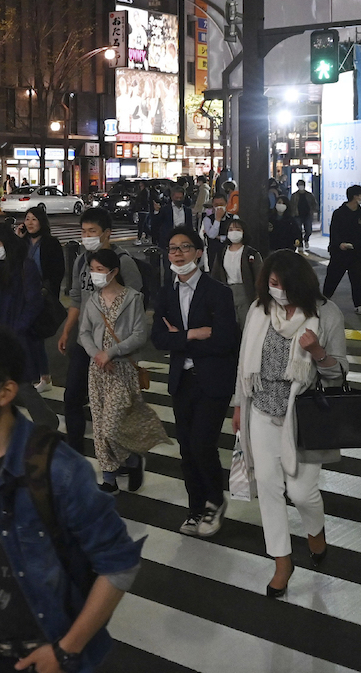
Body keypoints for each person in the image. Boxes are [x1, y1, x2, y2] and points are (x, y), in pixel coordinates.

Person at [0, 323, 143, 673]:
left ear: (6, 391)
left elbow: (119, 562)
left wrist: (65, 650)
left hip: (36, 656)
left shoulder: (58, 468)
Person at [232, 251, 347, 597]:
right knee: (268, 488)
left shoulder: (326, 314)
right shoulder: (259, 309)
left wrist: (317, 354)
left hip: (306, 416)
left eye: (282, 285)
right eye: (271, 283)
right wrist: (239, 405)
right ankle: (282, 562)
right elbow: (244, 362)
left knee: (301, 492)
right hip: (262, 411)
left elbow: (339, 374)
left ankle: (316, 531)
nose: (276, 290)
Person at [150, 226, 240, 538]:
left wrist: (180, 339)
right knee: (187, 448)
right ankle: (195, 506)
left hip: (214, 379)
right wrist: (193, 334)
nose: (177, 254)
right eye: (172, 248)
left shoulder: (218, 292)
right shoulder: (166, 292)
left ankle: (215, 501)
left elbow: (225, 341)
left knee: (203, 444)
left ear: (199, 252)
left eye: (184, 248)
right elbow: (158, 338)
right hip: (182, 379)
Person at [78, 249, 168, 493]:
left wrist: (111, 352)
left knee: (112, 426)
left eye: (99, 270)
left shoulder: (132, 298)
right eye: (92, 269)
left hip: (122, 370)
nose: (94, 274)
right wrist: (97, 354)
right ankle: (109, 478)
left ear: (114, 271)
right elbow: (84, 332)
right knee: (99, 426)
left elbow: (140, 335)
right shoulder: (93, 300)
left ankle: (132, 460)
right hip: (97, 370)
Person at [58, 208, 143, 455]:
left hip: (115, 346)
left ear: (107, 233)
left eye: (92, 231)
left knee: (116, 405)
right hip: (86, 343)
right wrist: (66, 332)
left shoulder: (123, 262)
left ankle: (129, 457)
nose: (86, 237)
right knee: (72, 396)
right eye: (83, 231)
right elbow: (76, 300)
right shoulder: (80, 261)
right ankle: (75, 450)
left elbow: (136, 302)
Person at [0, 222, 59, 430]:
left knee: (20, 383)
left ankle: (44, 421)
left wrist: (17, 329)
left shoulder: (26, 267)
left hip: (16, 337)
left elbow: (34, 303)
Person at [19, 205, 64, 392]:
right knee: (27, 337)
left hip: (42, 296)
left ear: (41, 222)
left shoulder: (50, 243)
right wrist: (17, 238)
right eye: (27, 219)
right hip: (24, 295)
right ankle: (37, 375)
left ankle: (43, 377)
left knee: (36, 337)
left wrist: (48, 290)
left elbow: (57, 271)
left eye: (34, 219)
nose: (29, 223)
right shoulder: (23, 242)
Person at [323, 184, 361, 313]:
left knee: (357, 279)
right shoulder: (339, 213)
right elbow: (334, 231)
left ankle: (359, 305)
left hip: (356, 253)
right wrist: (339, 244)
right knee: (333, 276)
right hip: (340, 252)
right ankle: (324, 300)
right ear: (355, 196)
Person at [209, 218, 263, 327]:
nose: (234, 232)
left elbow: (260, 276)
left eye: (238, 229)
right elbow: (215, 275)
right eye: (231, 229)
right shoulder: (221, 253)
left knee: (247, 325)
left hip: (246, 293)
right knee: (229, 325)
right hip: (227, 292)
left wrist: (258, 296)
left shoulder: (251, 253)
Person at [151, 184, 190, 254]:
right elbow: (156, 223)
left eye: (181, 198)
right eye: (177, 197)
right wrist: (156, 211)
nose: (179, 200)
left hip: (183, 241)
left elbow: (189, 226)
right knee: (167, 262)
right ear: (172, 197)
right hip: (168, 241)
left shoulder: (187, 210)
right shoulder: (165, 209)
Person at [199, 195, 234, 271]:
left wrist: (220, 237)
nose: (219, 207)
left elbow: (234, 235)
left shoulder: (234, 218)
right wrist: (217, 219)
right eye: (216, 205)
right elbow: (212, 235)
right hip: (214, 252)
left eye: (221, 204)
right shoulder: (207, 219)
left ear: (226, 204)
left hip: (230, 251)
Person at [289, 179, 317, 250]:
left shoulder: (309, 195)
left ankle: (306, 239)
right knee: (298, 230)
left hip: (307, 215)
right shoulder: (294, 195)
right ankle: (300, 244)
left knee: (309, 230)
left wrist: (314, 210)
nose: (301, 186)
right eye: (299, 185)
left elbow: (314, 203)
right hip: (297, 215)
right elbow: (291, 205)